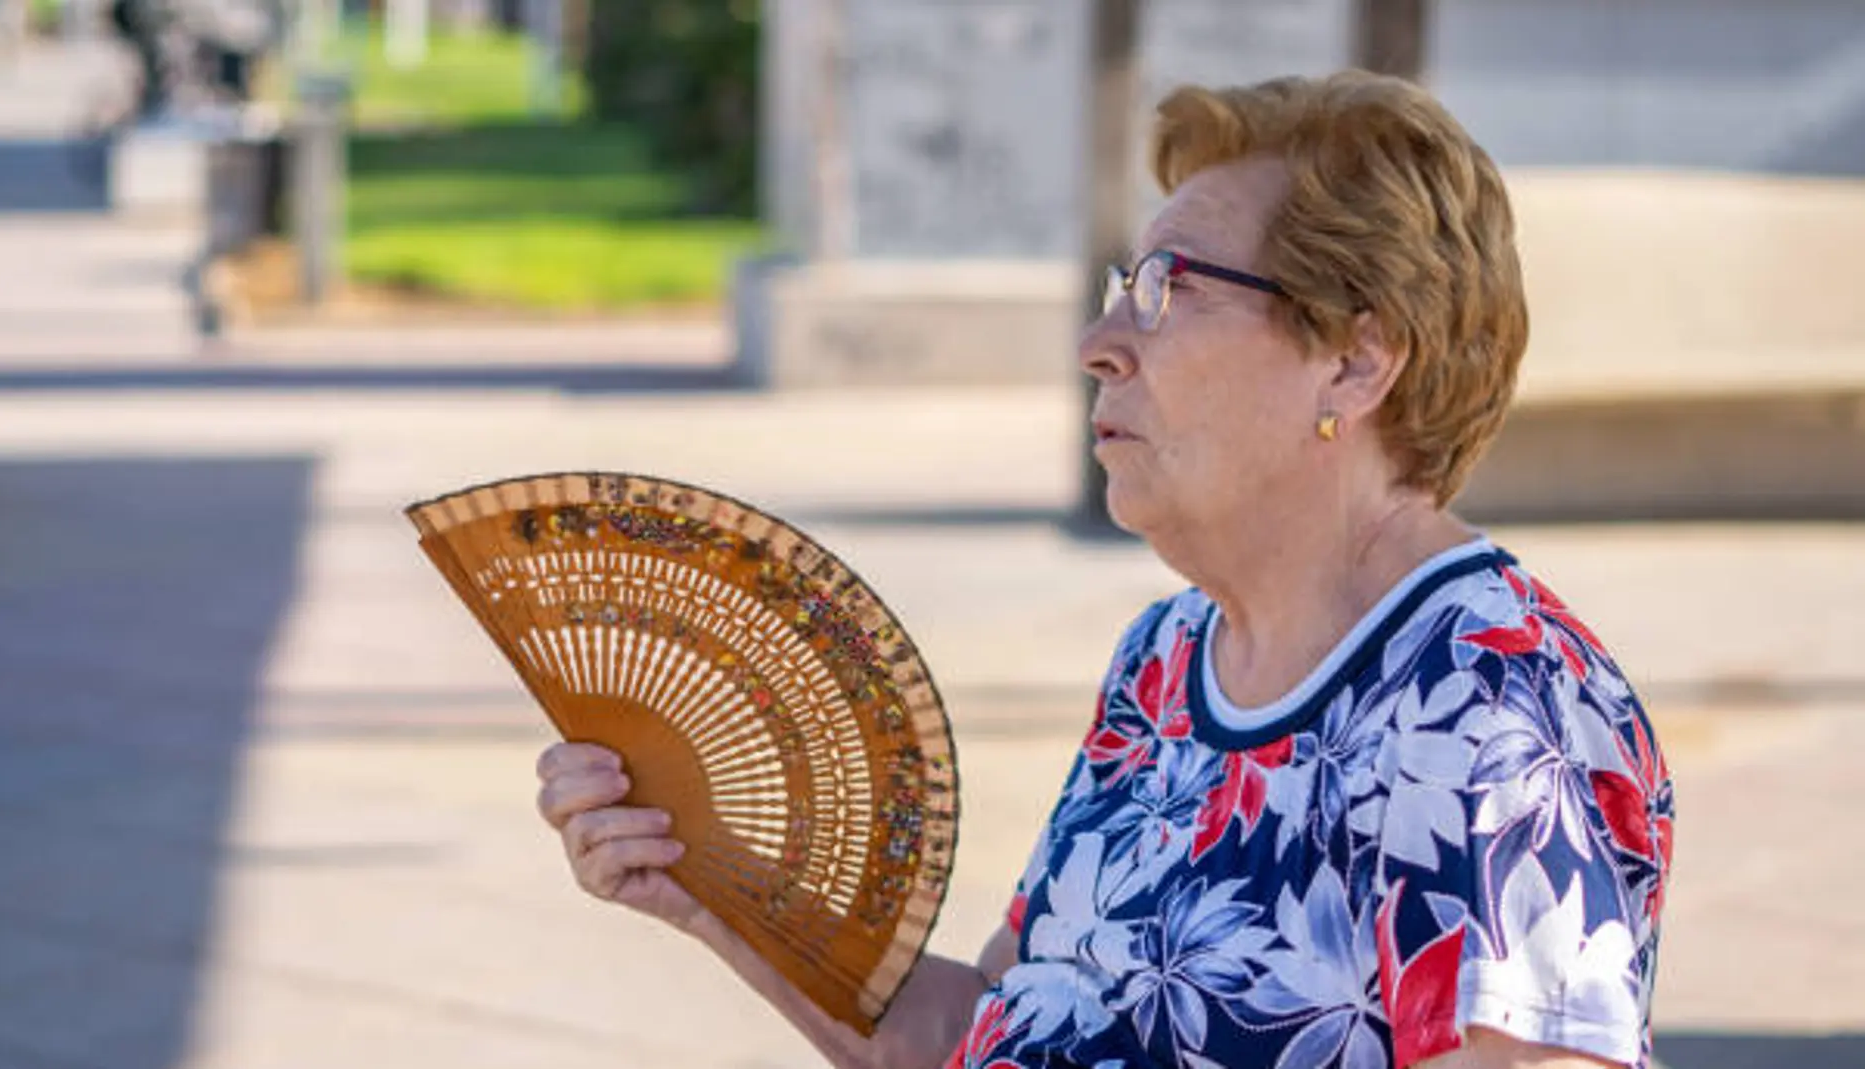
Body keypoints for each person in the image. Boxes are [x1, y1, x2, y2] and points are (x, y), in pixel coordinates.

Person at [535, 70, 1674, 1069]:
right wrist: (719, 887)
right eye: (1122, 286)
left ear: (1356, 358)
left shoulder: (1489, 703)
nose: (1100, 343)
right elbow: (988, 1024)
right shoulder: (1169, 661)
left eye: (1169, 291)